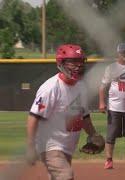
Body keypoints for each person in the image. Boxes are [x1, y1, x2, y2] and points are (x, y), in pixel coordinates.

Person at [26, 44, 104, 179]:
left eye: (80, 61)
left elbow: (84, 115)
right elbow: (34, 117)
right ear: (60, 63)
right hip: (49, 146)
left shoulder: (81, 87)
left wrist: (93, 134)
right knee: (65, 175)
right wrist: (30, 146)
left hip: (67, 146)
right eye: (73, 62)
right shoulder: (50, 88)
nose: (78, 66)